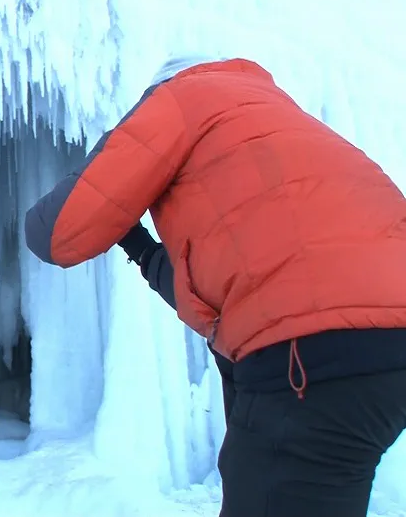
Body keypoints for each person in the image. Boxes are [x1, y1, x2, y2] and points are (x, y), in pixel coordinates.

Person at [23, 55, 406, 517]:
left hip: (315, 358)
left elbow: (57, 234)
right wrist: (143, 251)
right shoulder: (281, 120)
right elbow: (228, 284)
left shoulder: (180, 100)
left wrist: (100, 164)